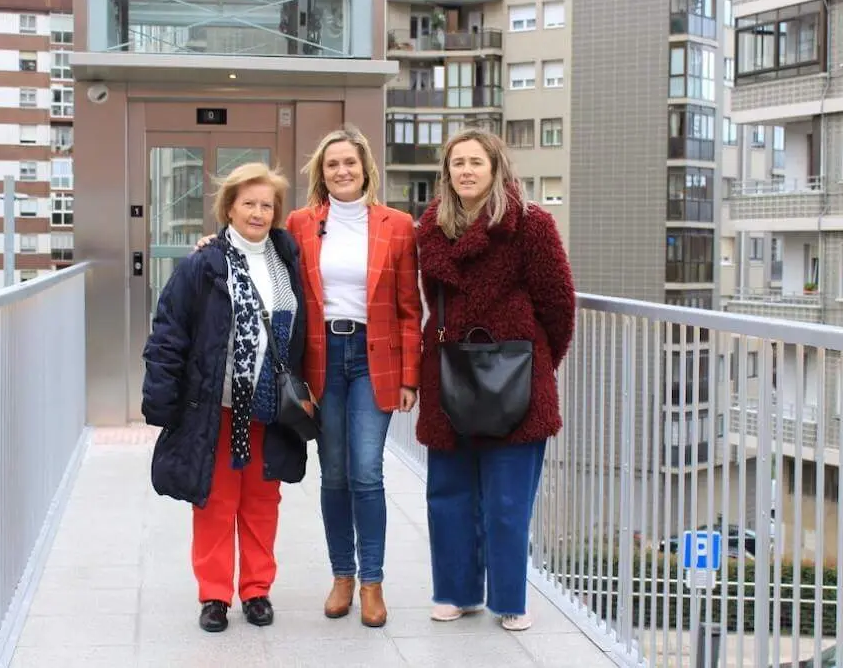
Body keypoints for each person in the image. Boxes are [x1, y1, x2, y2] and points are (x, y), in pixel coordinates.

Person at [193, 126, 422, 627]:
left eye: (350, 163)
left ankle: (372, 583)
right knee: (334, 472)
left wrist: (410, 376)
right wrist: (213, 243)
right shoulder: (298, 223)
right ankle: (342, 576)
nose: (342, 171)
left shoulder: (398, 225)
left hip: (373, 357)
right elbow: (252, 242)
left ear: (366, 168)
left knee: (366, 471)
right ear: (322, 172)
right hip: (321, 360)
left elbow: (409, 307)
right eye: (332, 163)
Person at [414, 128, 576, 631]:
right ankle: (455, 592)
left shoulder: (531, 224)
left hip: (516, 376)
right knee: (449, 495)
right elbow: (430, 296)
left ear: (495, 168)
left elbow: (558, 304)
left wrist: (536, 360)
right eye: (456, 163)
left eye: (475, 163)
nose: (465, 171)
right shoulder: (431, 227)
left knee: (508, 502)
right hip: (449, 374)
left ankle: (510, 599)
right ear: (447, 173)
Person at [142, 162, 308, 633]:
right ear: (229, 207)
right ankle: (214, 595)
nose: (258, 212)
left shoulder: (287, 259)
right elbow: (169, 331)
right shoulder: (204, 263)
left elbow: (304, 331)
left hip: (271, 406)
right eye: (248, 203)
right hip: (216, 406)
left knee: (261, 501)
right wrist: (161, 398)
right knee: (214, 502)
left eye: (266, 205)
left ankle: (257, 591)